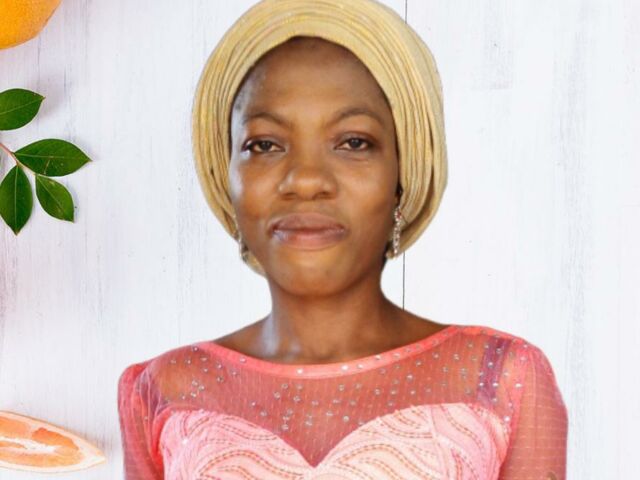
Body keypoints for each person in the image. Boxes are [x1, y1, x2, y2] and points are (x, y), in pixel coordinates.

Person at [118, 1, 568, 478]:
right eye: (265, 144)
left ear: (403, 175)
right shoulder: (164, 391)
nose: (306, 179)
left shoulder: (499, 380)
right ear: (227, 177)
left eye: (353, 142)